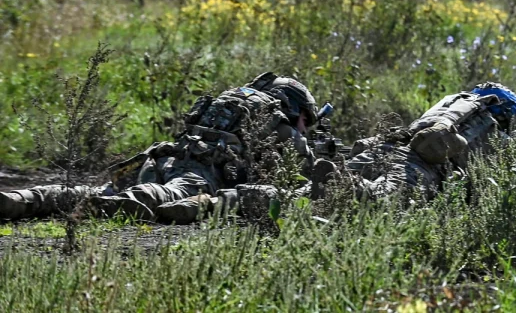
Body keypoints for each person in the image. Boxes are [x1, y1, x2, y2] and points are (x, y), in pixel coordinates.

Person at [0, 73, 325, 223]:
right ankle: (100, 210)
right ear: (297, 110)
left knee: (98, 189)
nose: (304, 128)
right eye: (305, 122)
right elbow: (308, 174)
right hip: (199, 173)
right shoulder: (278, 119)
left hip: (163, 158)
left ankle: (23, 199)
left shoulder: (237, 100)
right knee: (155, 198)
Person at [337, 82, 516, 202]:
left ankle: (329, 179)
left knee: (325, 187)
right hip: (419, 165)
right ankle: (352, 185)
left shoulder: (451, 105)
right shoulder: (492, 132)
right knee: (383, 202)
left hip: (386, 147)